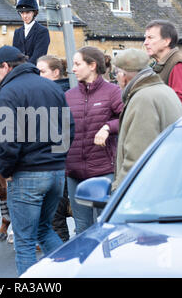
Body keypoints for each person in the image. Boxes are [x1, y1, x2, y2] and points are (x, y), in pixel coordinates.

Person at [0, 45, 74, 275]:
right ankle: (68, 273)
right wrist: (57, 160)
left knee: (24, 241)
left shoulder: (9, 92)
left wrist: (4, 170)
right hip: (56, 173)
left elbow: (8, 140)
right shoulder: (52, 87)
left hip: (26, 176)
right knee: (44, 230)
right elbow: (69, 128)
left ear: (5, 66)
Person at [66, 46, 123, 235]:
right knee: (81, 228)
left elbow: (127, 118)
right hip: (74, 173)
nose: (73, 69)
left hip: (103, 171)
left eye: (77, 64)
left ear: (92, 65)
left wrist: (108, 127)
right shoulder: (69, 96)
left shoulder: (113, 92)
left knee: (106, 227)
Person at [112, 48, 182, 190]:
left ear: (122, 75)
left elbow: (137, 156)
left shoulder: (143, 99)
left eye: (116, 74)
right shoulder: (163, 90)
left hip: (148, 190)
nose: (116, 80)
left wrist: (120, 191)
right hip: (168, 183)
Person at [36, 55, 71, 242]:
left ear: (56, 73)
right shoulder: (45, 94)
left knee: (56, 218)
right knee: (54, 219)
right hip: (52, 163)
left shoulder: (59, 94)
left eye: (42, 71)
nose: (38, 76)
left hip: (59, 163)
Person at [144, 20, 182, 112]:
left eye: (150, 38)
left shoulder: (179, 65)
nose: (145, 42)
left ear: (166, 41)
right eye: (145, 38)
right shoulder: (160, 65)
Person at [13, 0, 50, 65]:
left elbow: (38, 56)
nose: (24, 16)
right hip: (19, 70)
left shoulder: (42, 31)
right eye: (22, 13)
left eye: (27, 12)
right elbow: (15, 54)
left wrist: (24, 68)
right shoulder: (17, 32)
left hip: (34, 70)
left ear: (34, 13)